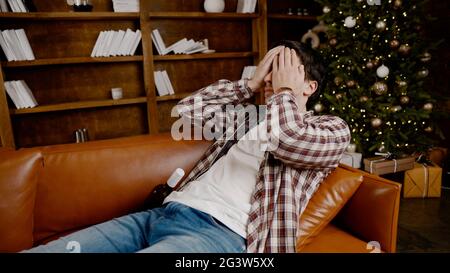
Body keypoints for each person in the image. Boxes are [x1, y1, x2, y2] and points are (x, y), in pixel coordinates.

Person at [23, 40, 350, 253]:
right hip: (162, 214)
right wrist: (249, 84)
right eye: (269, 70)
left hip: (220, 237)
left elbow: (289, 142)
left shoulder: (330, 129)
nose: (271, 79)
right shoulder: (249, 118)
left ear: (309, 86)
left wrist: (282, 94)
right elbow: (187, 111)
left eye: (282, 71)